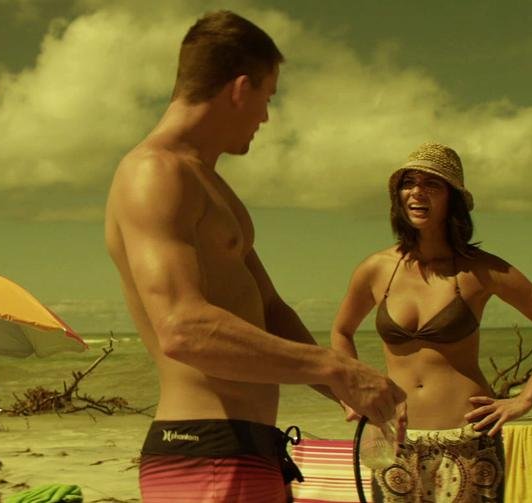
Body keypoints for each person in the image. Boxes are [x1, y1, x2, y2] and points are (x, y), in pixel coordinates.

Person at [104, 9, 406, 502]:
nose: (265, 117)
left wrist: (351, 390)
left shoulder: (211, 187)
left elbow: (270, 310)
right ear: (240, 89)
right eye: (268, 98)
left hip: (247, 455)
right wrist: (336, 368)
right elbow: (182, 328)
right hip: (205, 455)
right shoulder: (154, 172)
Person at [330, 142, 532, 501]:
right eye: (409, 183)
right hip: (394, 440)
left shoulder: (481, 270)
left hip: (468, 439)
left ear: (453, 199)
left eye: (432, 184)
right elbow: (341, 332)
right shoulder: (376, 269)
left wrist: (524, 400)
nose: (417, 192)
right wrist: (352, 393)